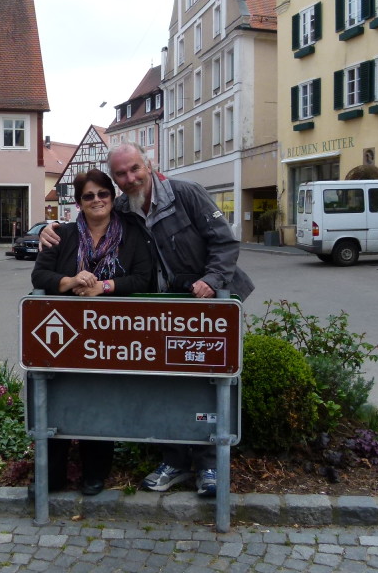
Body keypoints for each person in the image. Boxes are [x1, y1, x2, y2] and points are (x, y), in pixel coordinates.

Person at [39, 142, 253, 497]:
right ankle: (175, 460)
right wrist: (51, 227)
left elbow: (225, 243)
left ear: (149, 165)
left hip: (206, 305)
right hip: (160, 310)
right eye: (121, 173)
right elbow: (93, 219)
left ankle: (208, 465)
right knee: (166, 382)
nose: (130, 178)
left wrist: (211, 279)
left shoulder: (187, 194)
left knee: (206, 381)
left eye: (135, 169)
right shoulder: (123, 206)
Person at [31, 168, 155, 496]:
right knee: (58, 400)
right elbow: (39, 276)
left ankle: (94, 474)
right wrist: (70, 282)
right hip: (66, 333)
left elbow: (145, 278)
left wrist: (104, 286)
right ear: (79, 202)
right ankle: (52, 476)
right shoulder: (63, 234)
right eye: (89, 196)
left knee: (100, 398)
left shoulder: (131, 232)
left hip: (111, 333)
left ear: (113, 199)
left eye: (103, 194)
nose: (96, 200)